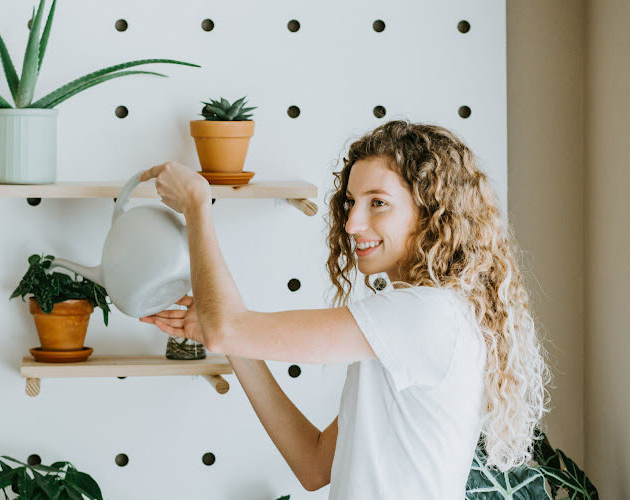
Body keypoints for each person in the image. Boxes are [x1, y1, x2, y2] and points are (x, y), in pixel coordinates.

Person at [137, 120, 552, 499]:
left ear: (430, 210)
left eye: (378, 203)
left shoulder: (424, 314)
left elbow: (226, 328)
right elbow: (313, 464)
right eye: (352, 202)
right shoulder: (426, 318)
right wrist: (230, 336)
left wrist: (196, 205)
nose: (352, 223)